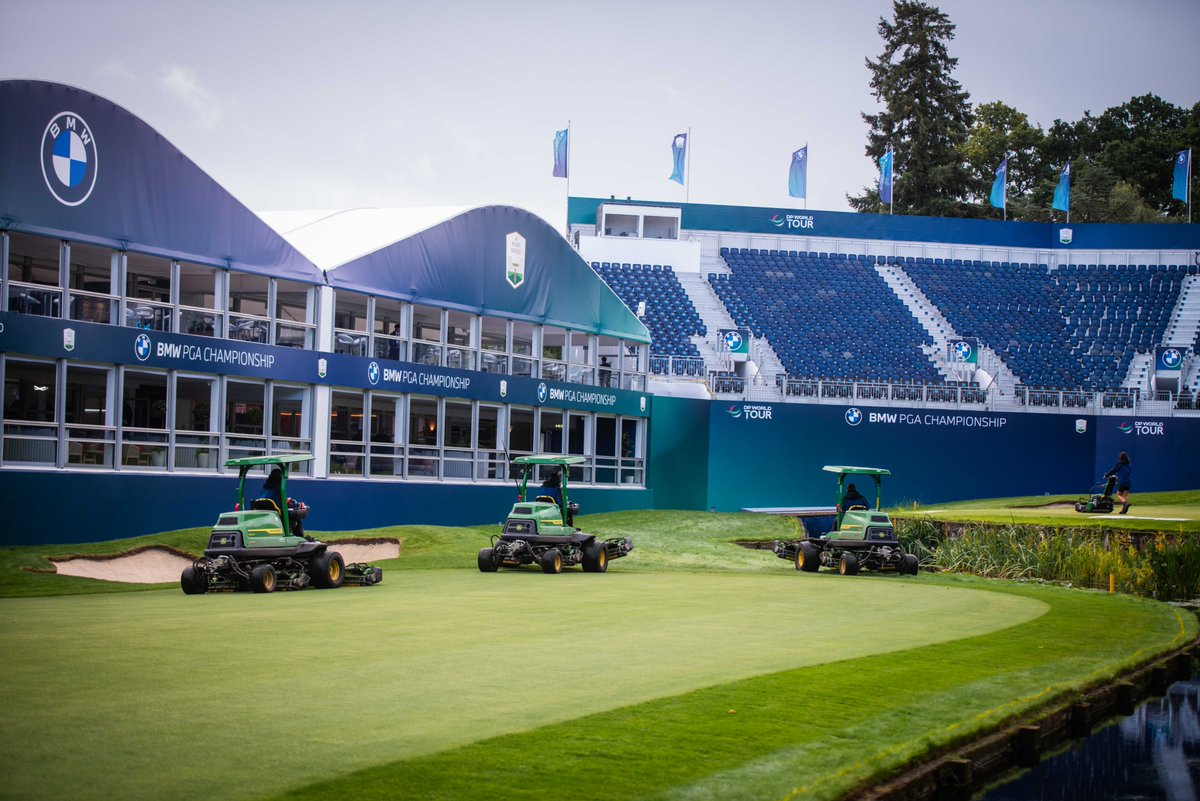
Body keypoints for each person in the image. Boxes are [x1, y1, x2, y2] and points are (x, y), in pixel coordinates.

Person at [262, 467, 307, 536]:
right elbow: (282, 504)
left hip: (266, 510)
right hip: (275, 512)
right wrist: (295, 505)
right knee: (295, 517)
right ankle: (296, 535)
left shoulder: (265, 488)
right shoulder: (278, 488)